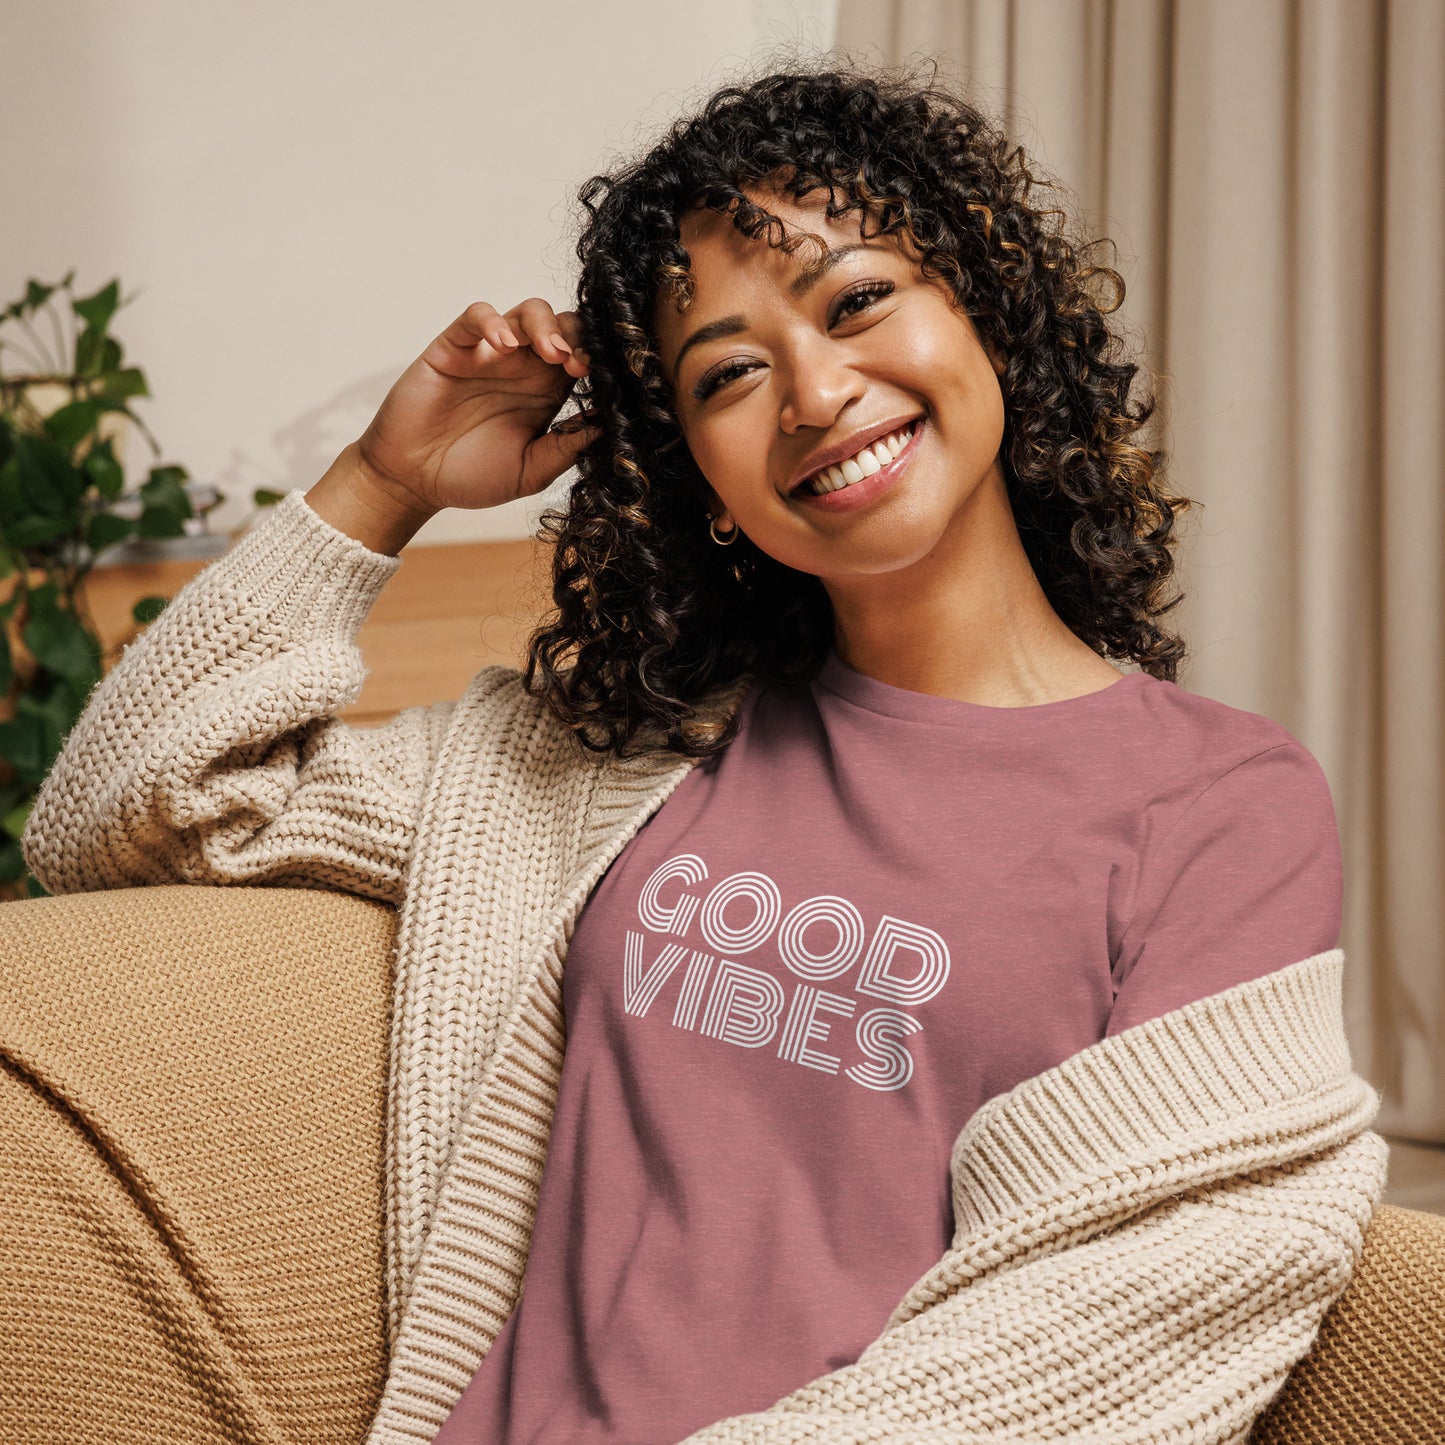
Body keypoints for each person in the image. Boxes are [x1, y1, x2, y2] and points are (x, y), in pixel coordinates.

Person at [16, 58, 1386, 1445]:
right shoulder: (614, 762)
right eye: (728, 371)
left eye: (858, 300)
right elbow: (128, 813)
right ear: (703, 482)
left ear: (986, 315)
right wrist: (382, 484)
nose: (811, 389)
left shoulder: (1214, 800)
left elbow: (1137, 1298)